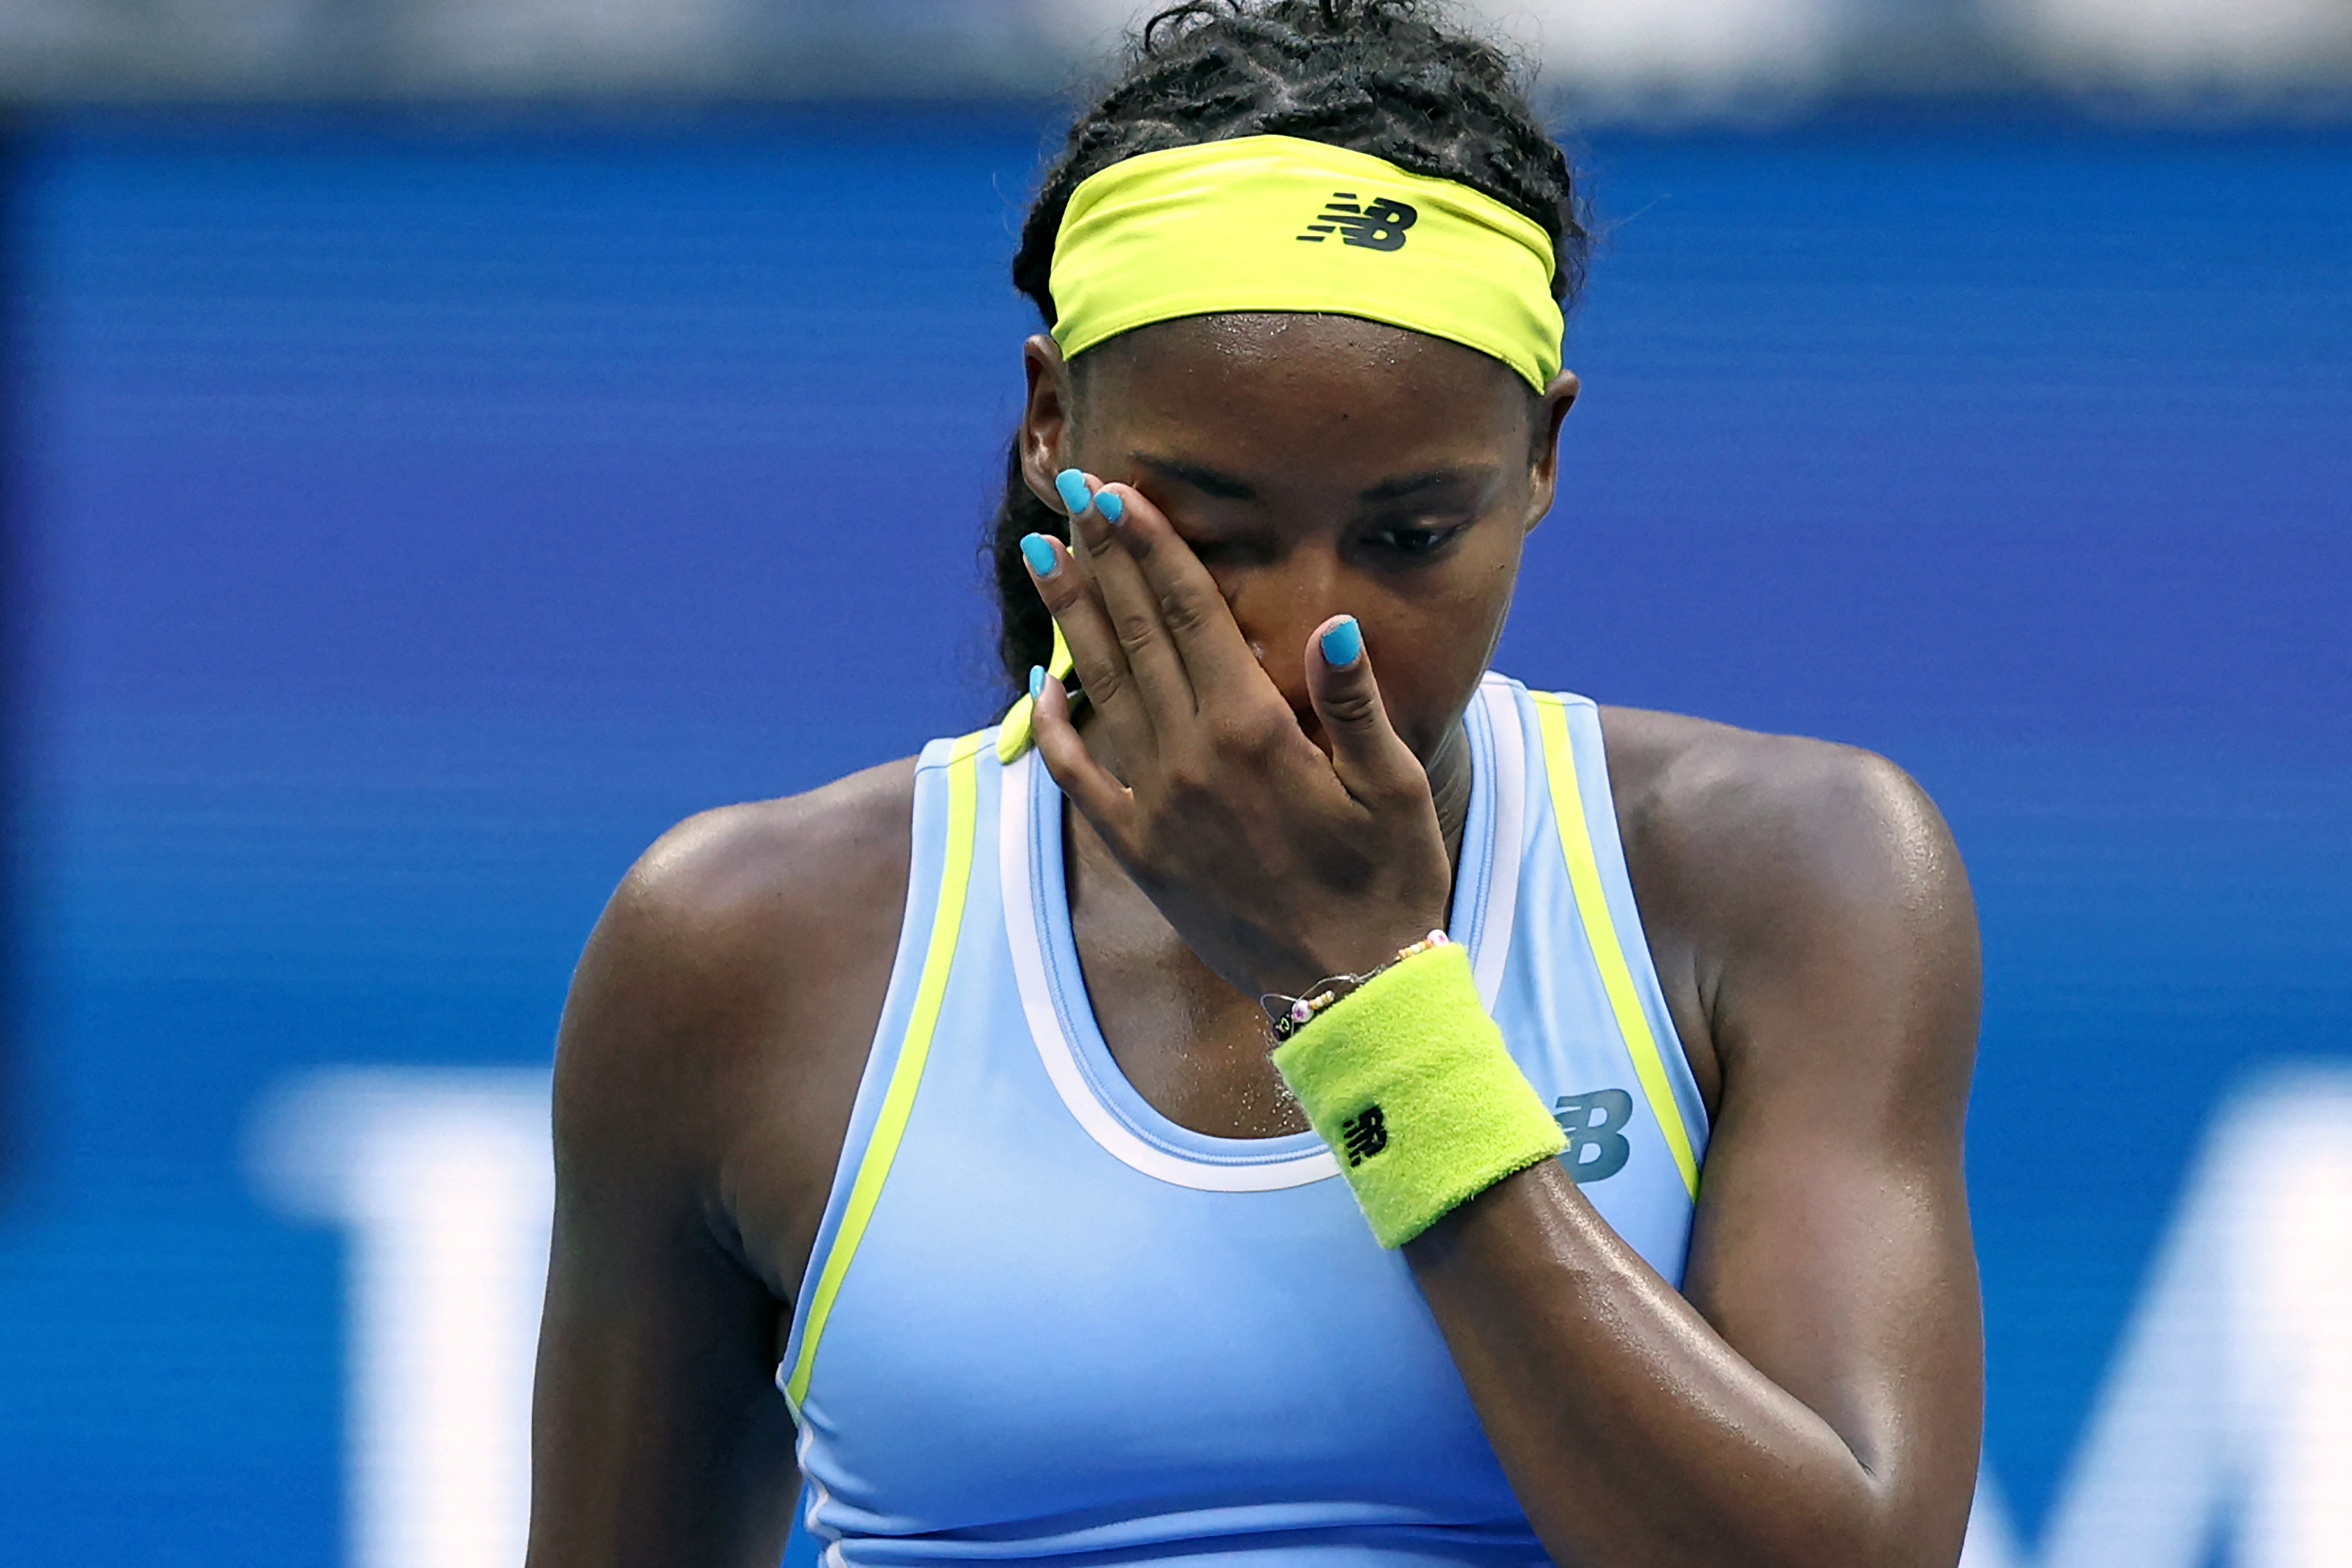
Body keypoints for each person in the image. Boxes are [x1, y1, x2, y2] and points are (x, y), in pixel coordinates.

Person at [525, 3, 1985, 1564]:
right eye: (1211, 534)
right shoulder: (731, 950)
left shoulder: (1793, 871)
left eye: (1413, 535)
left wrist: (1367, 1003)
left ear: (1542, 458)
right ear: (1047, 424)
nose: (1310, 641)